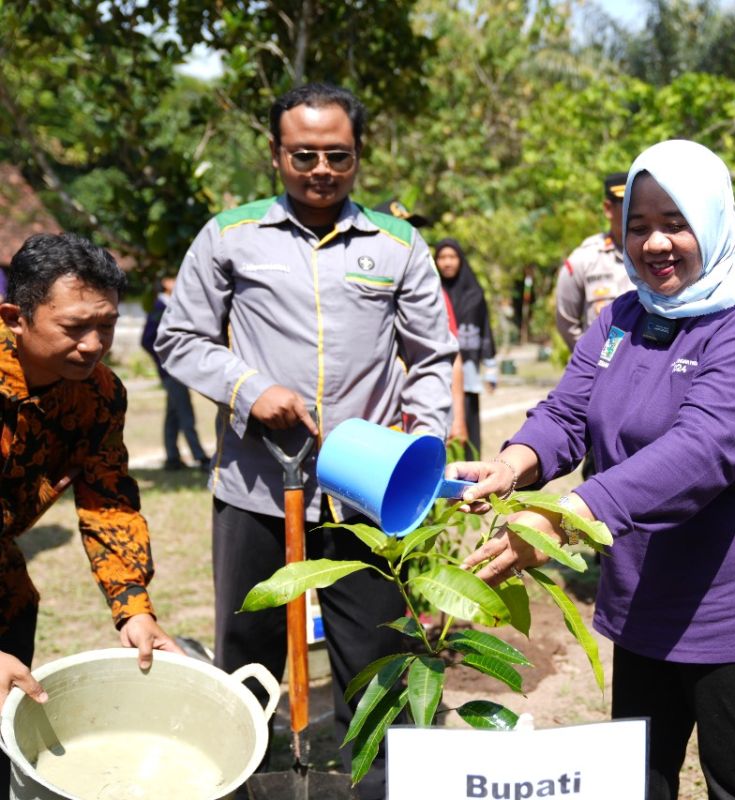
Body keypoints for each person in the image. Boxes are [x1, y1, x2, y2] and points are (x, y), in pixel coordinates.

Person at [449, 140, 735, 800]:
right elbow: (568, 410)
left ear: (712, 222)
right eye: (637, 226)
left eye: (675, 223)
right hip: (643, 584)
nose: (654, 244)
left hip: (731, 595)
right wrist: (513, 464)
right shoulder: (623, 314)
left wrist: (561, 517)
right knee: (638, 776)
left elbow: (701, 452)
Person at [155, 83, 457, 798]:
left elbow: (432, 357)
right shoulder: (229, 235)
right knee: (250, 655)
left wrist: (423, 438)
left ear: (359, 157)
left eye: (338, 156)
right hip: (257, 488)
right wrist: (248, 388)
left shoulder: (398, 244)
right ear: (275, 154)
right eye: (304, 155)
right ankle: (245, 780)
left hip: (367, 493)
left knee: (379, 657)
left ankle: (383, 786)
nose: (321, 169)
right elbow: (181, 336)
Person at [0, 233, 182, 795]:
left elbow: (108, 499)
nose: (94, 343)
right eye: (75, 326)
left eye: (105, 324)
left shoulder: (98, 393)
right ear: (15, 317)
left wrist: (133, 609)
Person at [373, 200, 471, 448]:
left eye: (411, 229)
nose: (407, 238)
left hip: (414, 423)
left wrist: (457, 418)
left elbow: (447, 354)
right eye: (398, 229)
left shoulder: (429, 289)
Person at [554, 172, 635, 350]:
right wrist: (589, 359)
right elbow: (566, 322)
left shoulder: (659, 256)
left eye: (637, 203)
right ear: (608, 208)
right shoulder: (584, 259)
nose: (634, 210)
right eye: (625, 203)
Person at [433, 238, 496, 458]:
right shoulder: (430, 290)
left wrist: (490, 368)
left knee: (467, 431)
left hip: (466, 374)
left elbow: (485, 328)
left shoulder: (474, 294)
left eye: (452, 257)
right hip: (438, 373)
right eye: (442, 257)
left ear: (460, 260)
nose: (447, 263)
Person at [140, 274, 210, 471]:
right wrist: (166, 359)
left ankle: (172, 457)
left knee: (173, 414)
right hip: (172, 370)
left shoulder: (172, 305)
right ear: (165, 282)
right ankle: (200, 456)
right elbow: (146, 339)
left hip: (177, 369)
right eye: (174, 278)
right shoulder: (159, 307)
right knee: (185, 413)